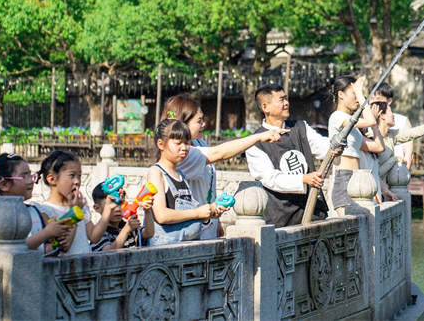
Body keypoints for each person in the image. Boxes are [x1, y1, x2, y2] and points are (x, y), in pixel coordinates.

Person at [161, 93, 288, 238]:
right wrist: (259, 136)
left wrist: (217, 222)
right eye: (199, 121)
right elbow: (219, 153)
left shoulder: (199, 143)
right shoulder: (183, 155)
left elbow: (209, 184)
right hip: (190, 231)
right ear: (183, 124)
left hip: (207, 225)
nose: (204, 124)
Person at [245, 84, 333, 227]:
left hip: (313, 211)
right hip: (281, 218)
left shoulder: (300, 127)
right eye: (281, 100)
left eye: (286, 99)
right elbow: (270, 178)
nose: (286, 103)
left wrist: (335, 145)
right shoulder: (255, 142)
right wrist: (303, 179)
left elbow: (322, 147)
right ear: (265, 107)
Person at [0, 152, 73, 254]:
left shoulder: (34, 211)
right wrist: (47, 232)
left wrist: (57, 237)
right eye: (24, 176)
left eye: (30, 175)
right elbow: (12, 248)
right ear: (4, 185)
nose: (31, 181)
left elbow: (43, 248)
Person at [147, 118, 221, 246]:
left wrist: (208, 214)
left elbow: (186, 215)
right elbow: (162, 215)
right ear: (161, 144)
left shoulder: (180, 174)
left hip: (185, 246)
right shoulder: (156, 173)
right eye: (178, 143)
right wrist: (197, 213)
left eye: (187, 143)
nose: (184, 148)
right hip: (164, 248)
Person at [326, 75, 384, 215]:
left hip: (357, 179)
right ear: (341, 95)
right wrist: (360, 92)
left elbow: (378, 146)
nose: (358, 99)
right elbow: (370, 121)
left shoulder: (354, 128)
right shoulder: (337, 117)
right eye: (354, 94)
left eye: (358, 94)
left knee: (362, 223)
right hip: (344, 178)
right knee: (348, 224)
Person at [35, 150, 110, 255]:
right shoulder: (44, 211)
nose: (77, 181)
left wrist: (108, 208)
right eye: (72, 175)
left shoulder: (81, 205)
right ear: (52, 179)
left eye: (79, 176)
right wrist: (75, 212)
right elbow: (64, 246)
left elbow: (94, 237)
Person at [90, 180, 155, 251]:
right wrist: (126, 230)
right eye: (112, 204)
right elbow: (108, 253)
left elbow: (149, 233)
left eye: (120, 203)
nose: (118, 209)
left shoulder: (126, 226)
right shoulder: (98, 234)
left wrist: (147, 210)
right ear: (97, 208)